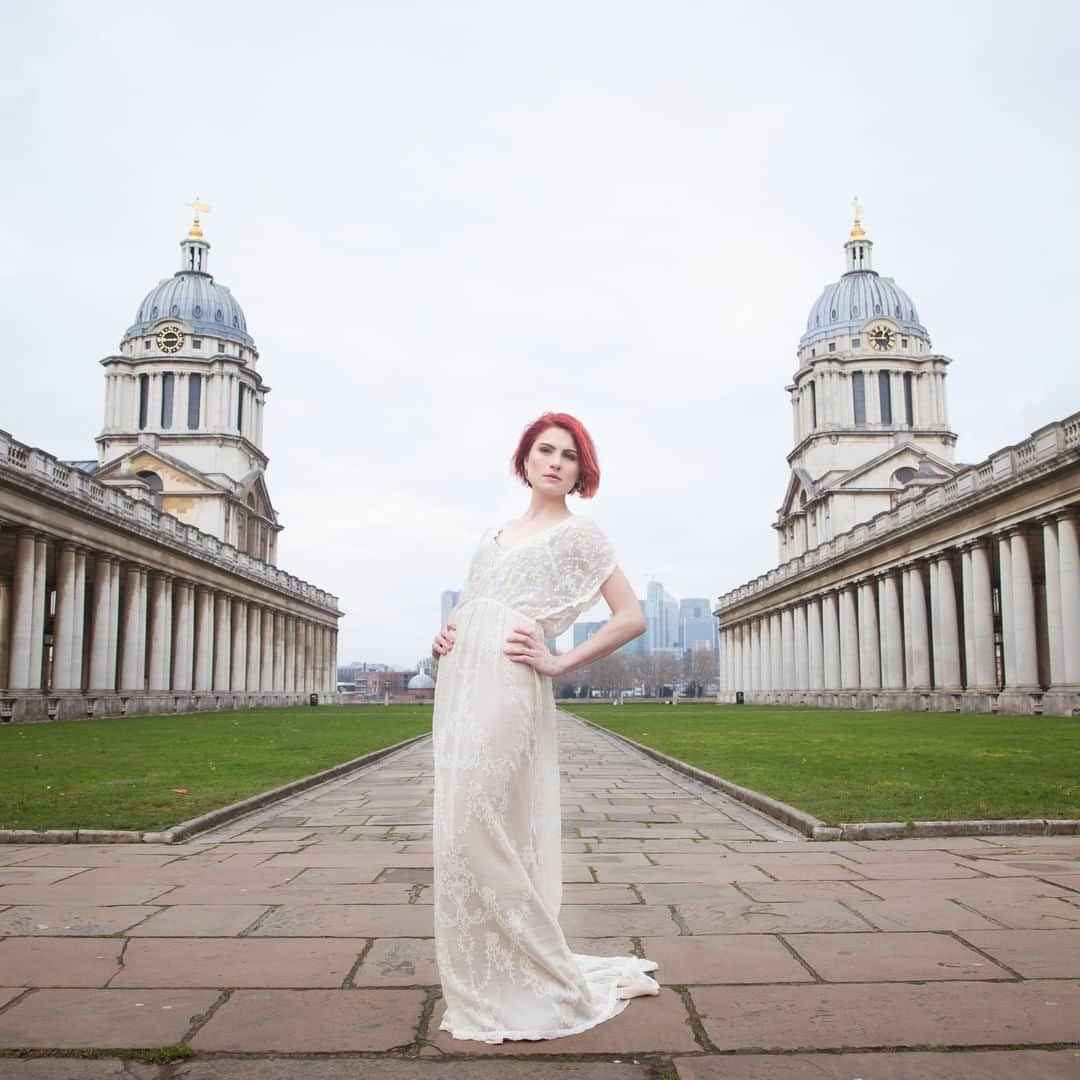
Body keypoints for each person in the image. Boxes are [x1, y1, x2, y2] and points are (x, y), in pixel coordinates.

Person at [429, 410, 659, 1044]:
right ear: (524, 460)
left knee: (479, 818)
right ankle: (492, 965)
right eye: (545, 451)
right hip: (459, 679)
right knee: (456, 824)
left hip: (508, 679)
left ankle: (536, 964)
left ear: (581, 471)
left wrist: (558, 661)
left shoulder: (581, 538)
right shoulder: (495, 533)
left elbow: (630, 616)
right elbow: (474, 604)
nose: (555, 462)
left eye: (569, 456)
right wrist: (445, 634)